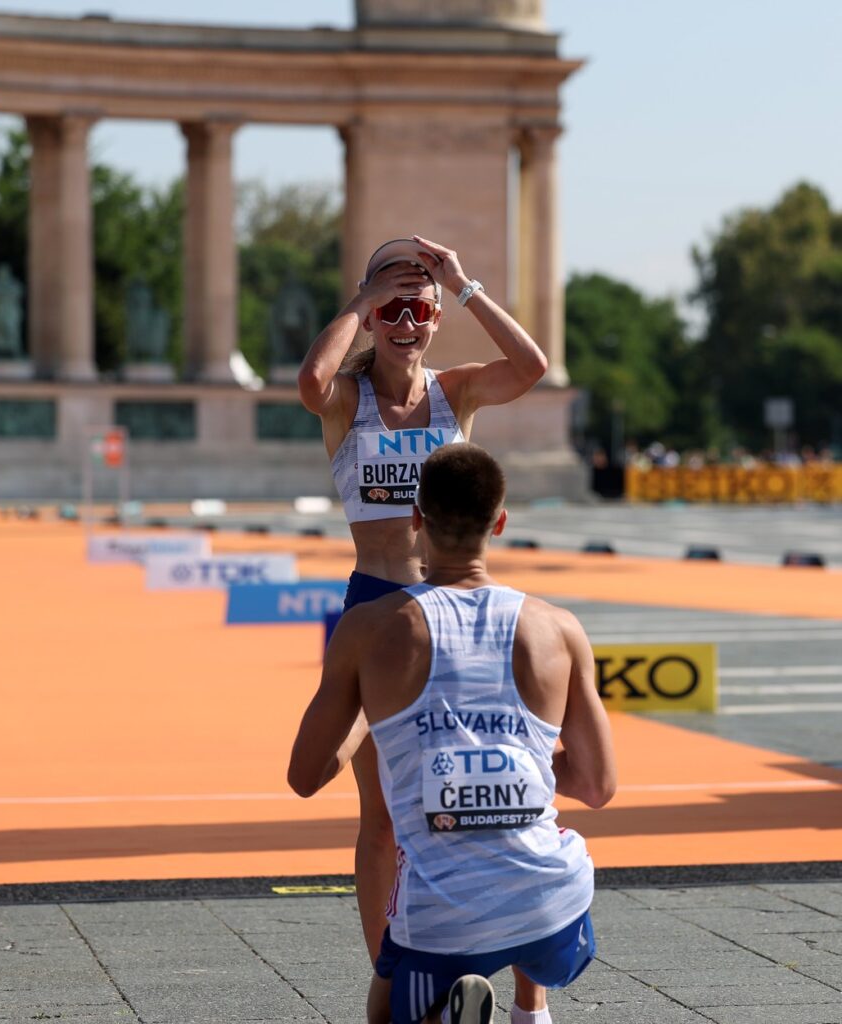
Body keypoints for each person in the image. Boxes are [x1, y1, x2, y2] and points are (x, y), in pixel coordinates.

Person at [288, 443, 616, 1024]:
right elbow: (596, 785)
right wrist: (516, 757)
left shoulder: (369, 630)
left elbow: (305, 777)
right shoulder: (560, 629)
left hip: (442, 917)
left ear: (416, 518)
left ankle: (440, 1009)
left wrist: (375, 708)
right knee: (532, 897)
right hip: (555, 909)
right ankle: (530, 1011)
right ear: (501, 522)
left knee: (386, 1011)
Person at [296, 236, 549, 969]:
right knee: (381, 820)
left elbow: (531, 368)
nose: (406, 322)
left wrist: (464, 286)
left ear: (436, 320)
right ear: (373, 320)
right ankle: (390, 971)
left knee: (467, 803)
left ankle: (480, 955)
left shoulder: (457, 390)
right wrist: (360, 297)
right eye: (392, 309)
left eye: (420, 309)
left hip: (455, 610)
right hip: (378, 606)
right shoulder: (350, 399)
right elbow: (311, 382)